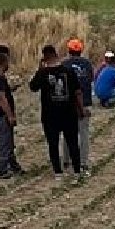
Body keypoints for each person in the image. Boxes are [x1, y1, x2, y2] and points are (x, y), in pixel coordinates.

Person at [29, 45, 86, 179]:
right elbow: (78, 92)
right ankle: (77, 170)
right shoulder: (68, 71)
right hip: (69, 113)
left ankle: (58, 172)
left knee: (53, 144)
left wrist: (39, 69)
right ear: (56, 54)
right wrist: (81, 109)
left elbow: (33, 87)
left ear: (44, 57)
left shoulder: (43, 73)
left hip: (50, 115)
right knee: (72, 142)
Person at [0, 45, 22, 179]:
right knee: (4, 141)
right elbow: (1, 98)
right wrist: (10, 115)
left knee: (8, 141)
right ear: (4, 62)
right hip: (1, 115)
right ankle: (3, 169)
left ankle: (13, 165)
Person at [61, 38, 94, 173]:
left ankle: (66, 160)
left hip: (67, 105)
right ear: (80, 50)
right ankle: (83, 162)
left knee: (68, 133)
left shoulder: (64, 65)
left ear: (69, 51)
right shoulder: (87, 64)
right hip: (85, 103)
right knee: (84, 133)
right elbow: (91, 79)